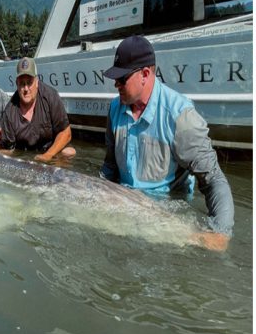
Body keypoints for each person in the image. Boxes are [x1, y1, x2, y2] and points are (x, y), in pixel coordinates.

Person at [101, 35, 235, 251]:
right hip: (123, 207)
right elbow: (109, 168)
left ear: (145, 74)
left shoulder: (180, 117)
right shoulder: (114, 108)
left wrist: (220, 232)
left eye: (122, 78)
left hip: (165, 214)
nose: (115, 84)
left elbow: (214, 181)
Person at [0, 57, 76, 161]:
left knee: (69, 152)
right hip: (26, 154)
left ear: (37, 82)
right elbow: (6, 150)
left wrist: (48, 155)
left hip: (50, 150)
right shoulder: (9, 111)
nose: (26, 89)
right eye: (22, 83)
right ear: (17, 83)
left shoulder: (50, 96)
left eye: (29, 83)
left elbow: (66, 133)